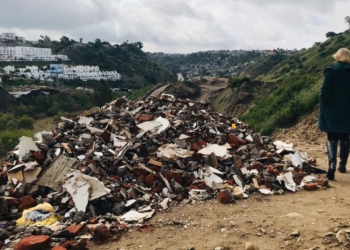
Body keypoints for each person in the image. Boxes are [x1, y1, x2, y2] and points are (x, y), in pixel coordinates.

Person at [318, 48, 350, 180]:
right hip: (348, 110)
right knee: (345, 137)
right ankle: (342, 166)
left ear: (337, 57)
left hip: (331, 109)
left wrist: (324, 104)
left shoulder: (330, 71)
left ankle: (331, 166)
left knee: (332, 136)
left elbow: (324, 91)